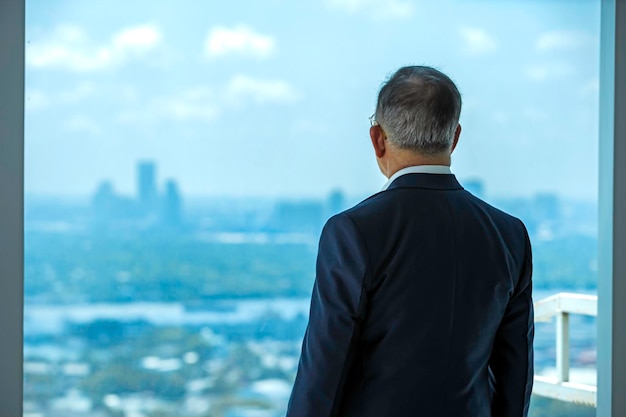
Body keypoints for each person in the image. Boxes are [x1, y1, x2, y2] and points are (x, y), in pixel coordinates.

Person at [286, 66, 533, 417]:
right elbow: (515, 376)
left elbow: (323, 374)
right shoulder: (510, 235)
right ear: (455, 137)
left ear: (378, 138)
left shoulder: (353, 231)